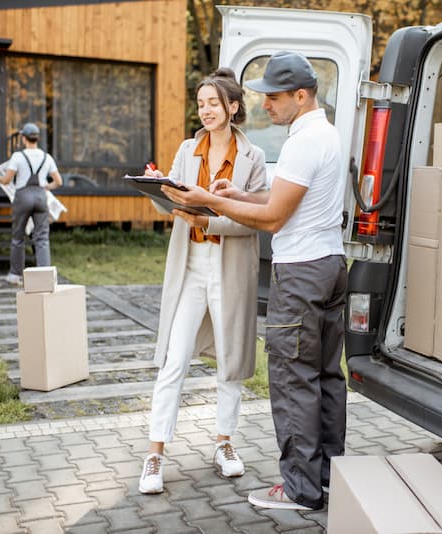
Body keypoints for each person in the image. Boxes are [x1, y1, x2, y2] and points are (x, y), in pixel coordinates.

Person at [163, 51, 347, 511]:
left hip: (301, 275)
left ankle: (300, 490)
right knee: (326, 377)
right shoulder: (325, 133)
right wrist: (241, 193)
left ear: (301, 95)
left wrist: (211, 200)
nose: (265, 104)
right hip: (329, 265)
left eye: (274, 97)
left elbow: (273, 217)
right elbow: (282, 198)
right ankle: (327, 477)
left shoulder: (303, 142)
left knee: (293, 381)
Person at [137, 68, 268, 495]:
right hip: (190, 266)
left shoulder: (255, 159)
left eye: (213, 103)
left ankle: (224, 443)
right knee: (174, 359)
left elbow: (255, 221)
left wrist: (208, 220)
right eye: (200, 103)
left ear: (232, 107)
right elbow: (172, 205)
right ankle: (155, 453)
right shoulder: (188, 149)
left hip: (230, 268)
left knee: (230, 360)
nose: (205, 110)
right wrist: (159, 189)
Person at [0, 123, 62, 285]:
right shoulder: (46, 157)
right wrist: (45, 187)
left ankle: (15, 275)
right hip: (41, 197)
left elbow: (6, 180)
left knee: (18, 237)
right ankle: (45, 278)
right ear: (37, 138)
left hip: (22, 197)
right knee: (42, 238)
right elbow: (58, 181)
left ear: (23, 138)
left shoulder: (18, 157)